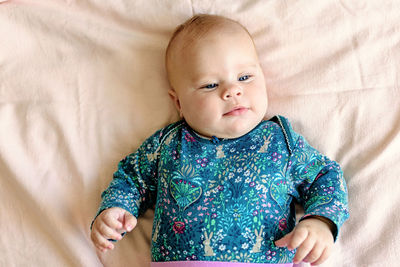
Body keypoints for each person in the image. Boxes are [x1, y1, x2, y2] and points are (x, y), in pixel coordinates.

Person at [90, 14, 349, 266]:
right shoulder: (168, 145)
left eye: (245, 78)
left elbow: (324, 176)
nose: (232, 91)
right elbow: (131, 177)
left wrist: (321, 221)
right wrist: (115, 208)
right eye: (210, 85)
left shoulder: (281, 142)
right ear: (179, 102)